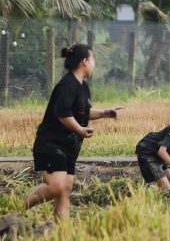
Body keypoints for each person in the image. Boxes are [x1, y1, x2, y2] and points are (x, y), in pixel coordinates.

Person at [25, 44, 119, 222]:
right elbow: (63, 114)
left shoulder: (82, 86)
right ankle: (17, 207)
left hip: (69, 147)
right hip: (52, 144)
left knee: (65, 190)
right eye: (92, 59)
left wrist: (104, 113)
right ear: (84, 61)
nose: (94, 64)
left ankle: (62, 229)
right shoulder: (67, 85)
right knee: (56, 187)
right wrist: (80, 129)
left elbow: (82, 111)